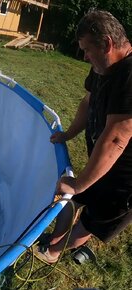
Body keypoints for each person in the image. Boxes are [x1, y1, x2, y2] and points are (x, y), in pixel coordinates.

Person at [37, 10, 132, 264]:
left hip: (125, 183)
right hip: (103, 162)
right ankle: (55, 238)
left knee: (91, 222)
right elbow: (87, 102)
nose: (85, 56)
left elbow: (117, 138)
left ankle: (53, 253)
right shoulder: (102, 67)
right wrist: (68, 134)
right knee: (75, 198)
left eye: (87, 50)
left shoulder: (129, 75)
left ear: (108, 44)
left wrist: (79, 183)